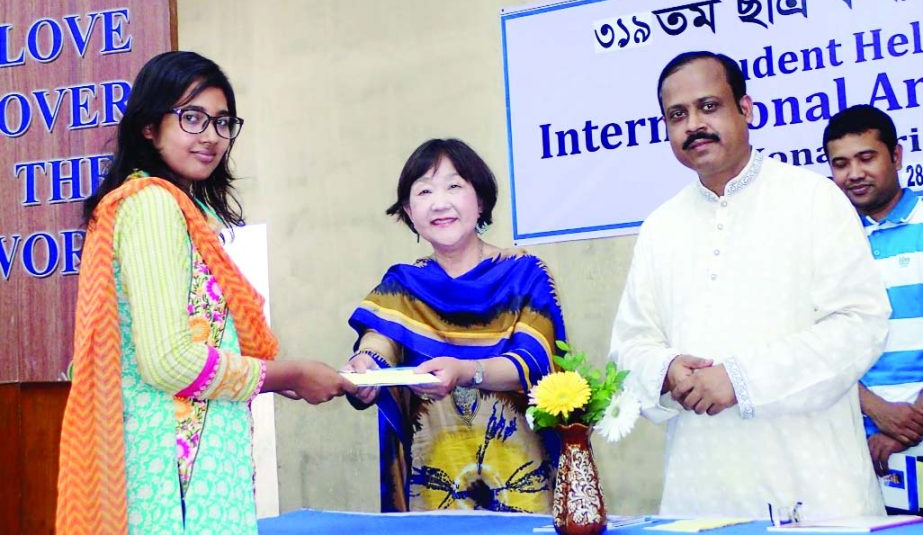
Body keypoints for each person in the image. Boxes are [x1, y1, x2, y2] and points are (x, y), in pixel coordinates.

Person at [56, 51, 355, 535]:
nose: (211, 136)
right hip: (170, 474)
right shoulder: (151, 206)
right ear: (149, 127)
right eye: (192, 117)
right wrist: (288, 375)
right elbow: (167, 361)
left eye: (222, 122)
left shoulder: (179, 210)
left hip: (189, 465)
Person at [609, 51, 891, 518]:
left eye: (709, 106)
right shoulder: (661, 226)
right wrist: (667, 368)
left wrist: (740, 380)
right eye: (677, 115)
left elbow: (861, 325)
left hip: (815, 486)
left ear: (746, 109)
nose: (694, 124)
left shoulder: (814, 198)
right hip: (701, 488)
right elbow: (631, 344)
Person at [342, 138, 565, 513]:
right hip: (434, 490)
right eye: (424, 191)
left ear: (480, 201)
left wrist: (467, 371)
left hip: (523, 482)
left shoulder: (525, 273)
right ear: (409, 213)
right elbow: (378, 342)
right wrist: (364, 369)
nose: (439, 202)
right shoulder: (402, 284)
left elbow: (537, 363)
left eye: (454, 186)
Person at [823, 104, 923, 514]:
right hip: (857, 445)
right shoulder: (828, 242)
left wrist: (909, 425)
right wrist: (876, 411)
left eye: (867, 157)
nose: (855, 174)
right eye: (841, 164)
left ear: (896, 156)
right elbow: (820, 344)